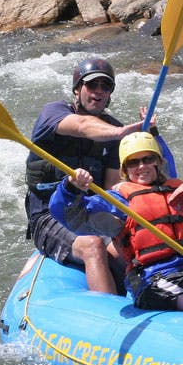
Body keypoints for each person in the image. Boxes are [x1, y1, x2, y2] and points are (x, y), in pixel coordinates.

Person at [24, 57, 146, 294]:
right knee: (93, 245)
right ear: (77, 89)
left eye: (105, 86)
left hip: (89, 214)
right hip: (49, 216)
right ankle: (107, 316)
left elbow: (113, 189)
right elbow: (81, 125)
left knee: (132, 245)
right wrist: (119, 133)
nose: (98, 91)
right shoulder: (54, 113)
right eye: (92, 85)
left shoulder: (113, 134)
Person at [48, 131, 183, 313]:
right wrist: (70, 188)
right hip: (153, 281)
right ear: (124, 170)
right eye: (133, 162)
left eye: (148, 159)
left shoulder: (178, 191)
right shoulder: (117, 201)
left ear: (159, 162)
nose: (141, 166)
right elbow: (72, 217)